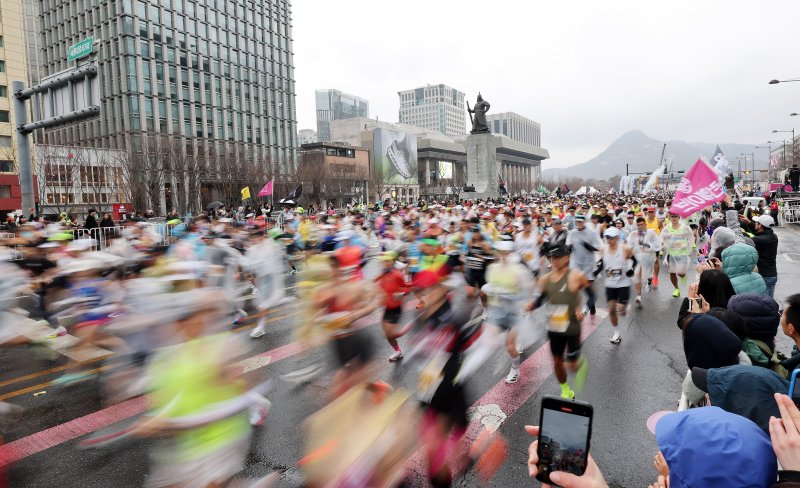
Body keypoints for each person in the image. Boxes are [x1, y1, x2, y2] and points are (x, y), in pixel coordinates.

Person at [526, 245, 591, 399]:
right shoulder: (545, 279)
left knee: (572, 366)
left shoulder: (576, 276)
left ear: (567, 257)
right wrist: (532, 306)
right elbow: (542, 298)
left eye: (558, 257)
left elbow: (592, 295)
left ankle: (579, 362)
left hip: (572, 327)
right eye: (552, 258)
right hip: (554, 327)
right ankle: (565, 389)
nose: (554, 261)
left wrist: (583, 311)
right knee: (556, 362)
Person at [601, 227, 635, 344]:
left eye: (611, 238)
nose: (609, 240)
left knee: (621, 311)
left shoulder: (625, 249)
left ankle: (625, 307)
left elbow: (634, 260)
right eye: (607, 237)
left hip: (623, 283)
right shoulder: (603, 249)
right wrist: (595, 272)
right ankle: (617, 333)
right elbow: (601, 263)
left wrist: (631, 269)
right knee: (611, 310)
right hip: (610, 284)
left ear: (617, 238)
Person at [567, 215, 600, 316]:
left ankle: (592, 304)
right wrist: (569, 248)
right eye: (577, 222)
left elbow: (598, 247)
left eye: (581, 222)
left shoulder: (591, 233)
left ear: (584, 222)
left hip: (588, 264)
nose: (579, 223)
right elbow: (568, 244)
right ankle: (576, 309)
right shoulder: (572, 233)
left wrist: (589, 247)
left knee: (587, 286)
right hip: (575, 263)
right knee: (575, 287)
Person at [739, 214, 779, 298]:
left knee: (764, 303)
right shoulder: (773, 236)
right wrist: (749, 222)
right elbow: (759, 232)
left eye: (756, 223)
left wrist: (739, 232)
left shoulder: (760, 240)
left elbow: (742, 240)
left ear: (760, 225)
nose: (755, 224)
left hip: (765, 276)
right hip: (771, 274)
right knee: (769, 302)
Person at [630, 217, 661, 306]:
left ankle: (650, 280)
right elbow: (628, 245)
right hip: (638, 259)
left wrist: (656, 257)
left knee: (648, 276)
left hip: (649, 258)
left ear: (645, 224)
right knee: (637, 275)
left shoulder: (651, 234)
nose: (640, 226)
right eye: (638, 225)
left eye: (642, 224)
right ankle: (639, 296)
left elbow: (657, 246)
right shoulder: (633, 234)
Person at [660, 213, 693, 298]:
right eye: (672, 216)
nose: (674, 218)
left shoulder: (685, 227)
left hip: (682, 254)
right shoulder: (667, 228)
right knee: (672, 272)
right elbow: (661, 238)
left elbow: (691, 238)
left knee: (681, 273)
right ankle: (676, 289)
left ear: (679, 217)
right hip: (671, 254)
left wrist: (688, 248)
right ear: (670, 218)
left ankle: (683, 276)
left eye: (675, 216)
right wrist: (660, 245)